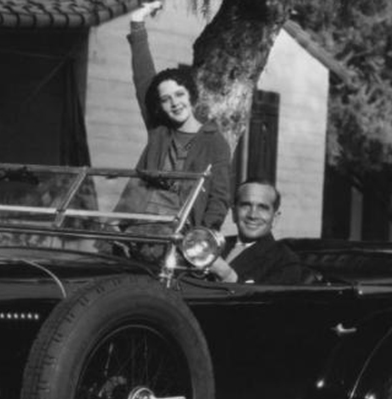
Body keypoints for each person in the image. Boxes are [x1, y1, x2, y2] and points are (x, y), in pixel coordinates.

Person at [114, 1, 231, 232]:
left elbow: (219, 199)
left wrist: (200, 237)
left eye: (179, 94)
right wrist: (137, 24)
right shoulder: (159, 130)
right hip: (137, 226)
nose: (175, 103)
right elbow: (143, 78)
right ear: (160, 106)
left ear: (191, 95)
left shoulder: (215, 142)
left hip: (179, 233)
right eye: (166, 99)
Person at [207, 180, 309, 284]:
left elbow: (267, 295)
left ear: (275, 218)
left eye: (262, 208)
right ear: (234, 213)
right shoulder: (214, 245)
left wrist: (228, 276)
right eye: (246, 205)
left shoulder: (285, 261)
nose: (253, 215)